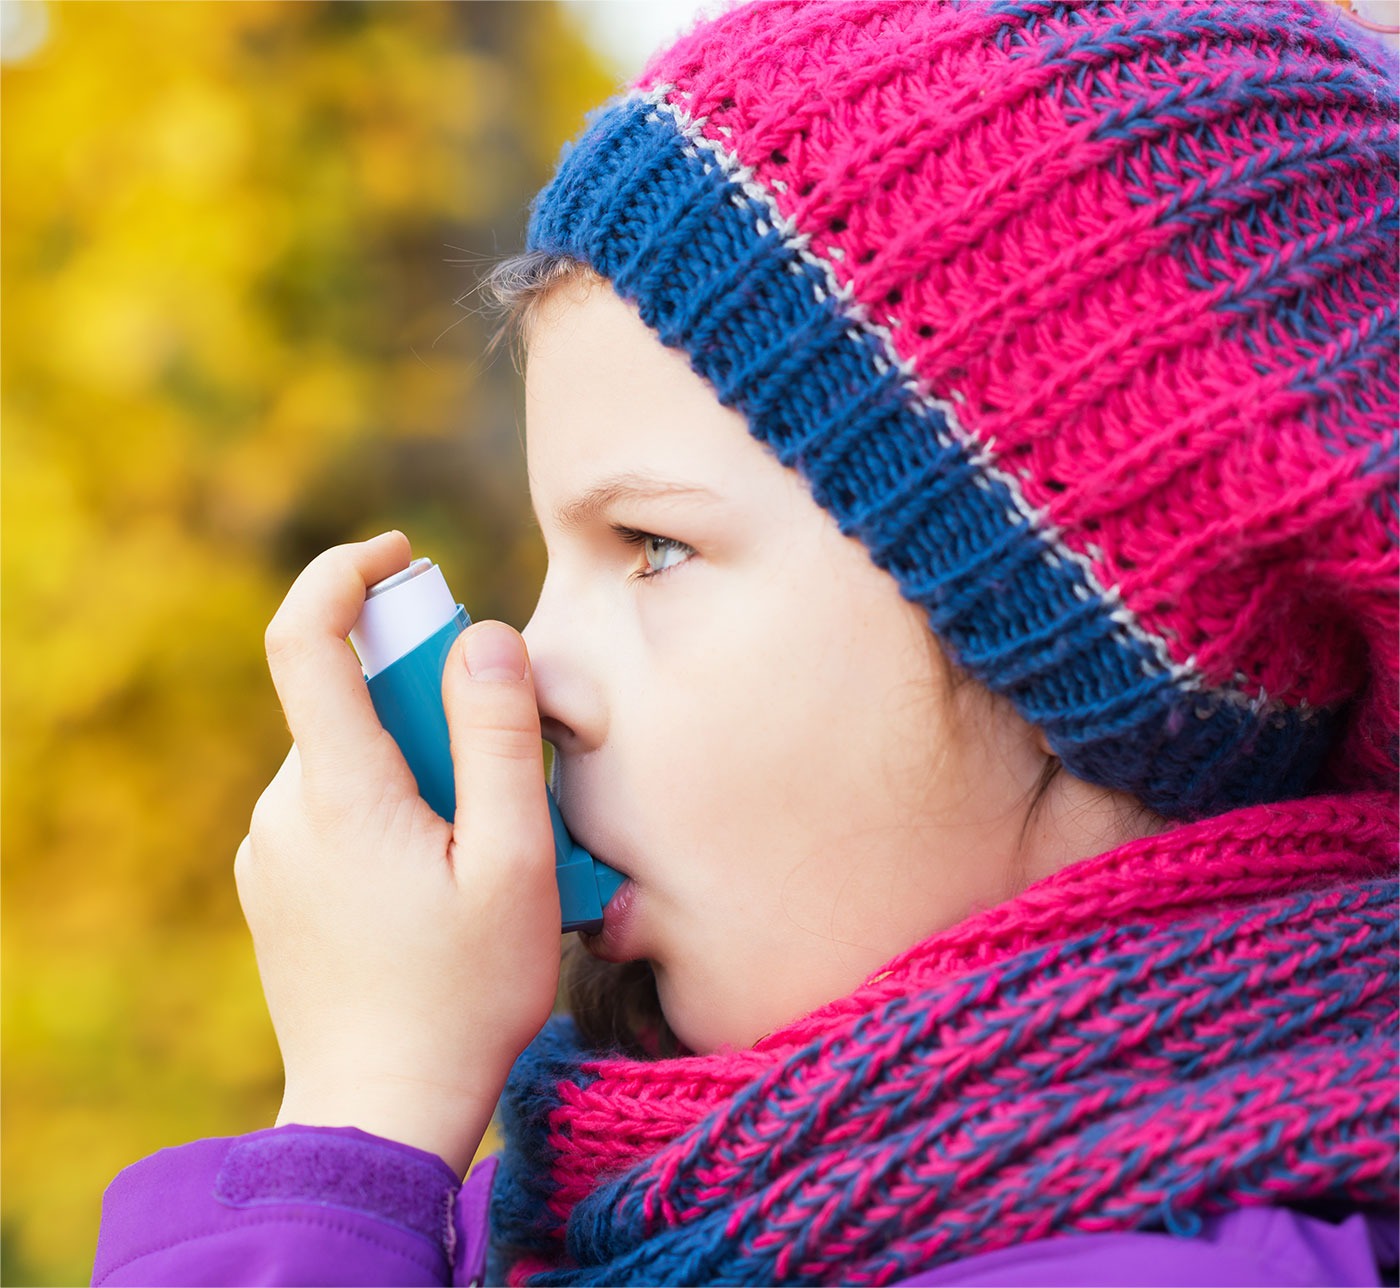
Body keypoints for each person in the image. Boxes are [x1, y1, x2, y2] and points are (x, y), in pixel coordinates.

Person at [94, 1, 1399, 1284]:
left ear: (1095, 659)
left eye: (653, 547)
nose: (534, 671)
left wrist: (356, 1123)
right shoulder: (621, 1194)